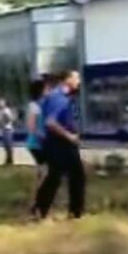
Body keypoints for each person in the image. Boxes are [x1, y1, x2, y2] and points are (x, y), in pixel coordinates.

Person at [34, 70, 85, 220]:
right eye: (76, 78)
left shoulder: (61, 97)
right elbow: (50, 123)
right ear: (67, 80)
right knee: (76, 176)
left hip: (58, 143)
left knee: (56, 176)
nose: (79, 82)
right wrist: (69, 136)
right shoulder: (59, 98)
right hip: (60, 143)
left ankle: (40, 210)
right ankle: (74, 212)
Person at [25, 79, 50, 213]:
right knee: (45, 172)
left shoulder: (41, 105)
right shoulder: (33, 106)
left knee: (42, 173)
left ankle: (36, 202)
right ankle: (37, 203)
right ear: (40, 90)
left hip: (41, 144)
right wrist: (43, 136)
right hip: (36, 144)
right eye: (46, 89)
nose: (48, 91)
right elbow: (31, 127)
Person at [0, 98, 14, 165]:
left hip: (7, 129)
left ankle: (10, 160)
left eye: (1, 102)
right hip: (4, 129)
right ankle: (8, 159)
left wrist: (4, 121)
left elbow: (10, 118)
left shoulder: (6, 110)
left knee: (8, 145)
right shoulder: (2, 111)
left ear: (4, 103)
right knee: (5, 145)